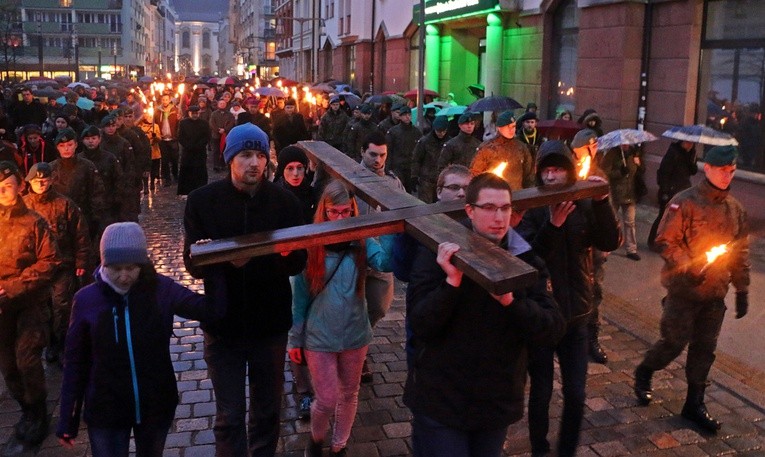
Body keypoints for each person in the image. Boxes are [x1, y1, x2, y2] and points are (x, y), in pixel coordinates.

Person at [404, 172, 565, 457]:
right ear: (470, 211)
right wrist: (451, 284)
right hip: (442, 400)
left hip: (495, 402)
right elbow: (420, 323)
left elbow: (551, 328)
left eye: (505, 208)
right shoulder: (437, 253)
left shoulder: (524, 259)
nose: (499, 217)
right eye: (489, 208)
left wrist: (512, 302)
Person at [183, 123, 307, 457]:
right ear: (230, 158)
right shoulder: (202, 202)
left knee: (267, 412)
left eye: (260, 155)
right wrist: (216, 259)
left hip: (269, 323)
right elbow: (192, 265)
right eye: (245, 155)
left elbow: (298, 261)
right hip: (223, 325)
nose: (254, 162)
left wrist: (284, 254)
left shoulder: (284, 202)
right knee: (230, 415)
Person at [56, 222, 225, 457]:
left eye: (131, 268)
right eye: (116, 268)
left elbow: (209, 310)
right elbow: (75, 363)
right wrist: (68, 419)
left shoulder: (161, 289)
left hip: (155, 404)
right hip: (106, 410)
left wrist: (213, 264)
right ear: (103, 262)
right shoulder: (86, 300)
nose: (124, 276)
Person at [634, 145, 749, 432]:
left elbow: (738, 253)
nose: (728, 175)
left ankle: (694, 404)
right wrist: (689, 266)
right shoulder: (684, 202)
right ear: (707, 168)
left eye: (732, 170)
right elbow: (665, 241)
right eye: (723, 169)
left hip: (714, 295)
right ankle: (645, 370)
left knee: (704, 349)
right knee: (673, 343)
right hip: (683, 293)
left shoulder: (735, 210)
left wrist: (742, 289)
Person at [516, 141, 620, 457]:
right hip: (543, 317)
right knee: (542, 392)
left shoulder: (583, 204)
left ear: (569, 172)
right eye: (546, 170)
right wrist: (552, 225)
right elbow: (528, 259)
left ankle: (567, 451)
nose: (552, 176)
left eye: (558, 169)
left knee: (576, 393)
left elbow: (609, 240)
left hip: (578, 315)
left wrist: (602, 202)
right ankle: (539, 449)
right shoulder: (531, 208)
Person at [289, 180, 394, 457]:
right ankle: (316, 439)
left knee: (349, 393)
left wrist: (390, 225)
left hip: (354, 333)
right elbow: (299, 299)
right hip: (319, 334)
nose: (340, 218)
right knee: (326, 398)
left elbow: (385, 263)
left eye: (346, 212)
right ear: (323, 211)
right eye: (333, 212)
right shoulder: (312, 245)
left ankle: (339, 446)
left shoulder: (361, 241)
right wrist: (295, 340)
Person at [0, 161, 60, 446]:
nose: (3, 191)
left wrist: (12, 286)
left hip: (29, 303)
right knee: (8, 365)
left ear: (19, 187)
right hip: (1, 309)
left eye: (8, 185)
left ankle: (38, 413)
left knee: (26, 360)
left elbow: (49, 262)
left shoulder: (34, 222)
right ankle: (25, 410)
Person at [23, 162, 90, 366]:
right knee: (42, 308)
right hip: (35, 267)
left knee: (62, 305)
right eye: (37, 181)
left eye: (44, 180)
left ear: (51, 180)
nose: (41, 184)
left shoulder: (64, 204)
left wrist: (81, 259)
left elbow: (80, 234)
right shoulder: (24, 205)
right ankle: (49, 343)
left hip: (63, 263)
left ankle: (62, 344)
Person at [355, 131, 404, 382]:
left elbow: (405, 209)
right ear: (363, 151)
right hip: (355, 254)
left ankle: (361, 342)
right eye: (373, 154)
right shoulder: (349, 178)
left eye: (382, 155)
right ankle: (359, 355)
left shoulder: (393, 182)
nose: (378, 160)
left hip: (383, 255)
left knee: (379, 306)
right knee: (353, 308)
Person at [647, 140, 698, 251]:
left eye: (692, 143)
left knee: (677, 218)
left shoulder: (691, 154)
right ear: (682, 142)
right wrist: (665, 191)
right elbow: (663, 173)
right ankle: (653, 241)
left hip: (683, 191)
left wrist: (692, 159)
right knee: (663, 217)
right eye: (687, 142)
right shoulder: (673, 153)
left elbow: (693, 171)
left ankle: (667, 242)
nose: (690, 145)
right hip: (670, 191)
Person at [470, 110, 535, 191]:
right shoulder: (487, 148)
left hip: (517, 195)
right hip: (493, 195)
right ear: (499, 128)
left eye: (513, 126)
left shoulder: (521, 147)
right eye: (508, 127)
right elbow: (475, 175)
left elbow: (529, 175)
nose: (511, 130)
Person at [601, 143, 644, 260]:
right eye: (624, 143)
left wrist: (639, 165)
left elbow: (639, 171)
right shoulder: (612, 154)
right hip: (615, 193)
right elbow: (604, 172)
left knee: (630, 222)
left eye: (628, 143)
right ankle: (605, 249)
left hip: (630, 193)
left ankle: (631, 249)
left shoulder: (633, 154)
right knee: (611, 222)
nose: (626, 145)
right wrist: (619, 172)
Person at [411, 116, 451, 203]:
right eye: (439, 131)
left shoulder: (450, 143)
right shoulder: (424, 141)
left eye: (444, 131)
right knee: (425, 206)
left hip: (442, 181)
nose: (441, 133)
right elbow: (416, 159)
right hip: (426, 180)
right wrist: (414, 175)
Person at [386, 106, 422, 193]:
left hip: (410, 167)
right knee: (398, 192)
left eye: (409, 115)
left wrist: (417, 171)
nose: (407, 117)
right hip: (397, 167)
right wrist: (388, 168)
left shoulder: (416, 132)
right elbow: (388, 150)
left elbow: (419, 152)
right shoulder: (393, 132)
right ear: (400, 117)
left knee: (409, 193)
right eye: (405, 115)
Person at [177, 105, 212, 196]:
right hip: (187, 152)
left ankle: (201, 190)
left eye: (196, 113)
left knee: (200, 171)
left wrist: (199, 145)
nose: (195, 115)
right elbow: (180, 136)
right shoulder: (183, 123)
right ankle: (186, 191)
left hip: (199, 152)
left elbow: (207, 136)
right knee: (187, 171)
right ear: (189, 113)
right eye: (193, 113)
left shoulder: (204, 123)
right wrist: (188, 146)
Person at [153, 93, 180, 184]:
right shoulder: (157, 111)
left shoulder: (174, 110)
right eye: (163, 99)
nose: (165, 101)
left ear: (169, 100)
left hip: (173, 138)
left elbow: (179, 124)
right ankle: (167, 178)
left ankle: (175, 175)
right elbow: (155, 123)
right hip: (162, 139)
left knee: (174, 159)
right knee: (164, 160)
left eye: (166, 99)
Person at [209, 98, 235, 172]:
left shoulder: (229, 114)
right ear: (218, 104)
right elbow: (211, 123)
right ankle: (216, 165)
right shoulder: (214, 114)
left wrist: (225, 129)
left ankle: (223, 164)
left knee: (224, 150)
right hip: (216, 135)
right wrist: (218, 130)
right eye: (221, 103)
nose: (222, 105)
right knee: (216, 150)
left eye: (223, 104)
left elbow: (231, 122)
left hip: (226, 135)